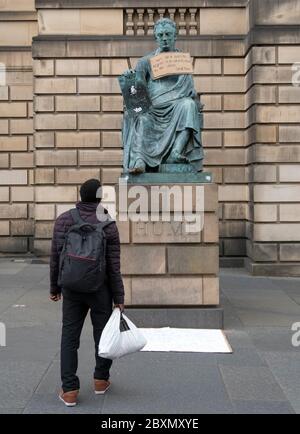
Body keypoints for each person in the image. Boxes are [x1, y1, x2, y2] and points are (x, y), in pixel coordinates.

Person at [49, 178, 125, 407]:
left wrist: (55, 288)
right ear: (100, 197)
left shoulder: (64, 220)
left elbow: (55, 258)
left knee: (69, 337)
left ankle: (70, 389)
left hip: (71, 288)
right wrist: (119, 298)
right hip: (100, 289)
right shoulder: (108, 223)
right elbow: (114, 265)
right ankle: (101, 380)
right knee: (102, 336)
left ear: (81, 196)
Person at [122, 18, 204, 174]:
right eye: (160, 35)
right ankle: (139, 160)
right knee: (142, 117)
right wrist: (129, 78)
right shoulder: (145, 62)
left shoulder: (182, 61)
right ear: (156, 37)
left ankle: (176, 152)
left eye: (168, 34)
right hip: (153, 109)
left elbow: (189, 90)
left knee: (189, 105)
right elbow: (136, 92)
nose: (164, 38)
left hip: (176, 106)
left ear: (175, 36)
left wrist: (191, 95)